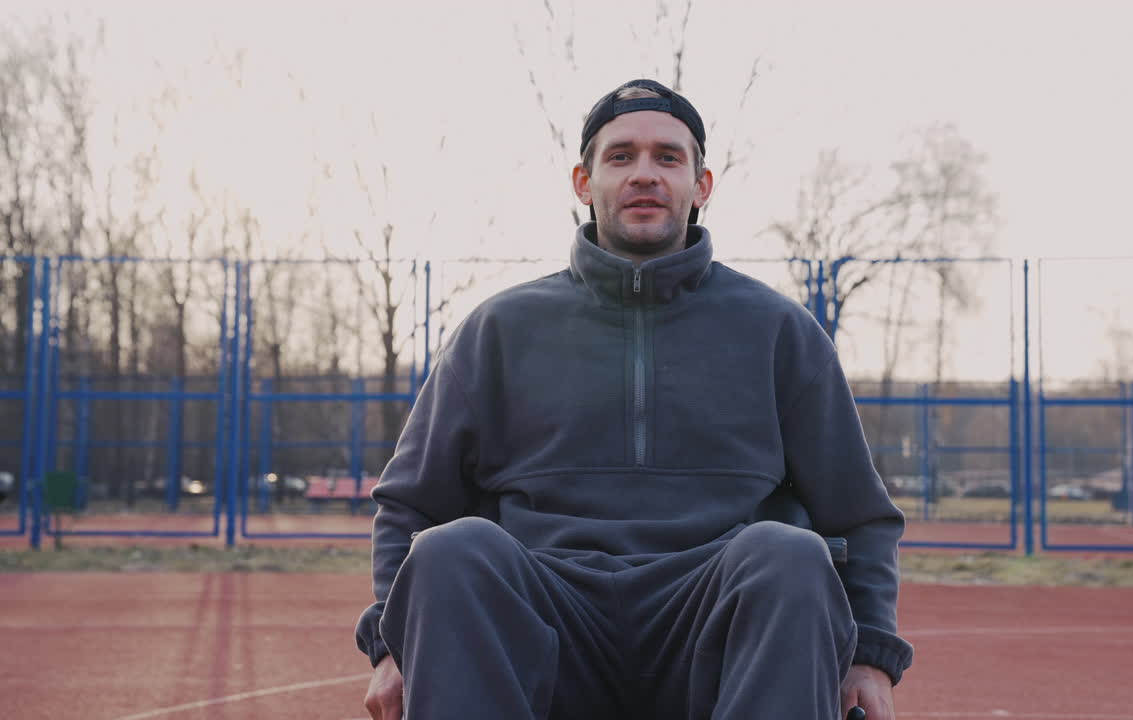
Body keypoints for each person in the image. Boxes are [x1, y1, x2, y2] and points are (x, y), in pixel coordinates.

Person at [356, 78, 912, 720]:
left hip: (711, 626)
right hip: (549, 620)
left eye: (667, 157)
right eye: (621, 156)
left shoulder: (780, 331)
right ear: (583, 182)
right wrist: (390, 647)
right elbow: (411, 504)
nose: (644, 173)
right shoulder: (499, 330)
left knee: (790, 554)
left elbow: (858, 515)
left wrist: (870, 655)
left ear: (701, 185)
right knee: (451, 549)